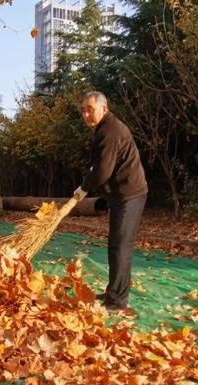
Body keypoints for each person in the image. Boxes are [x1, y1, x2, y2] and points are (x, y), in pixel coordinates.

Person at [74, 91, 148, 309]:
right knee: (116, 245)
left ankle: (117, 301)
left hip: (130, 194)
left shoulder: (110, 131)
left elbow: (102, 171)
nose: (87, 114)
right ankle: (113, 294)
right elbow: (99, 163)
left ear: (104, 109)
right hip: (120, 194)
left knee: (120, 246)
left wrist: (84, 187)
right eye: (84, 110)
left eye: (91, 109)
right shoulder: (104, 129)